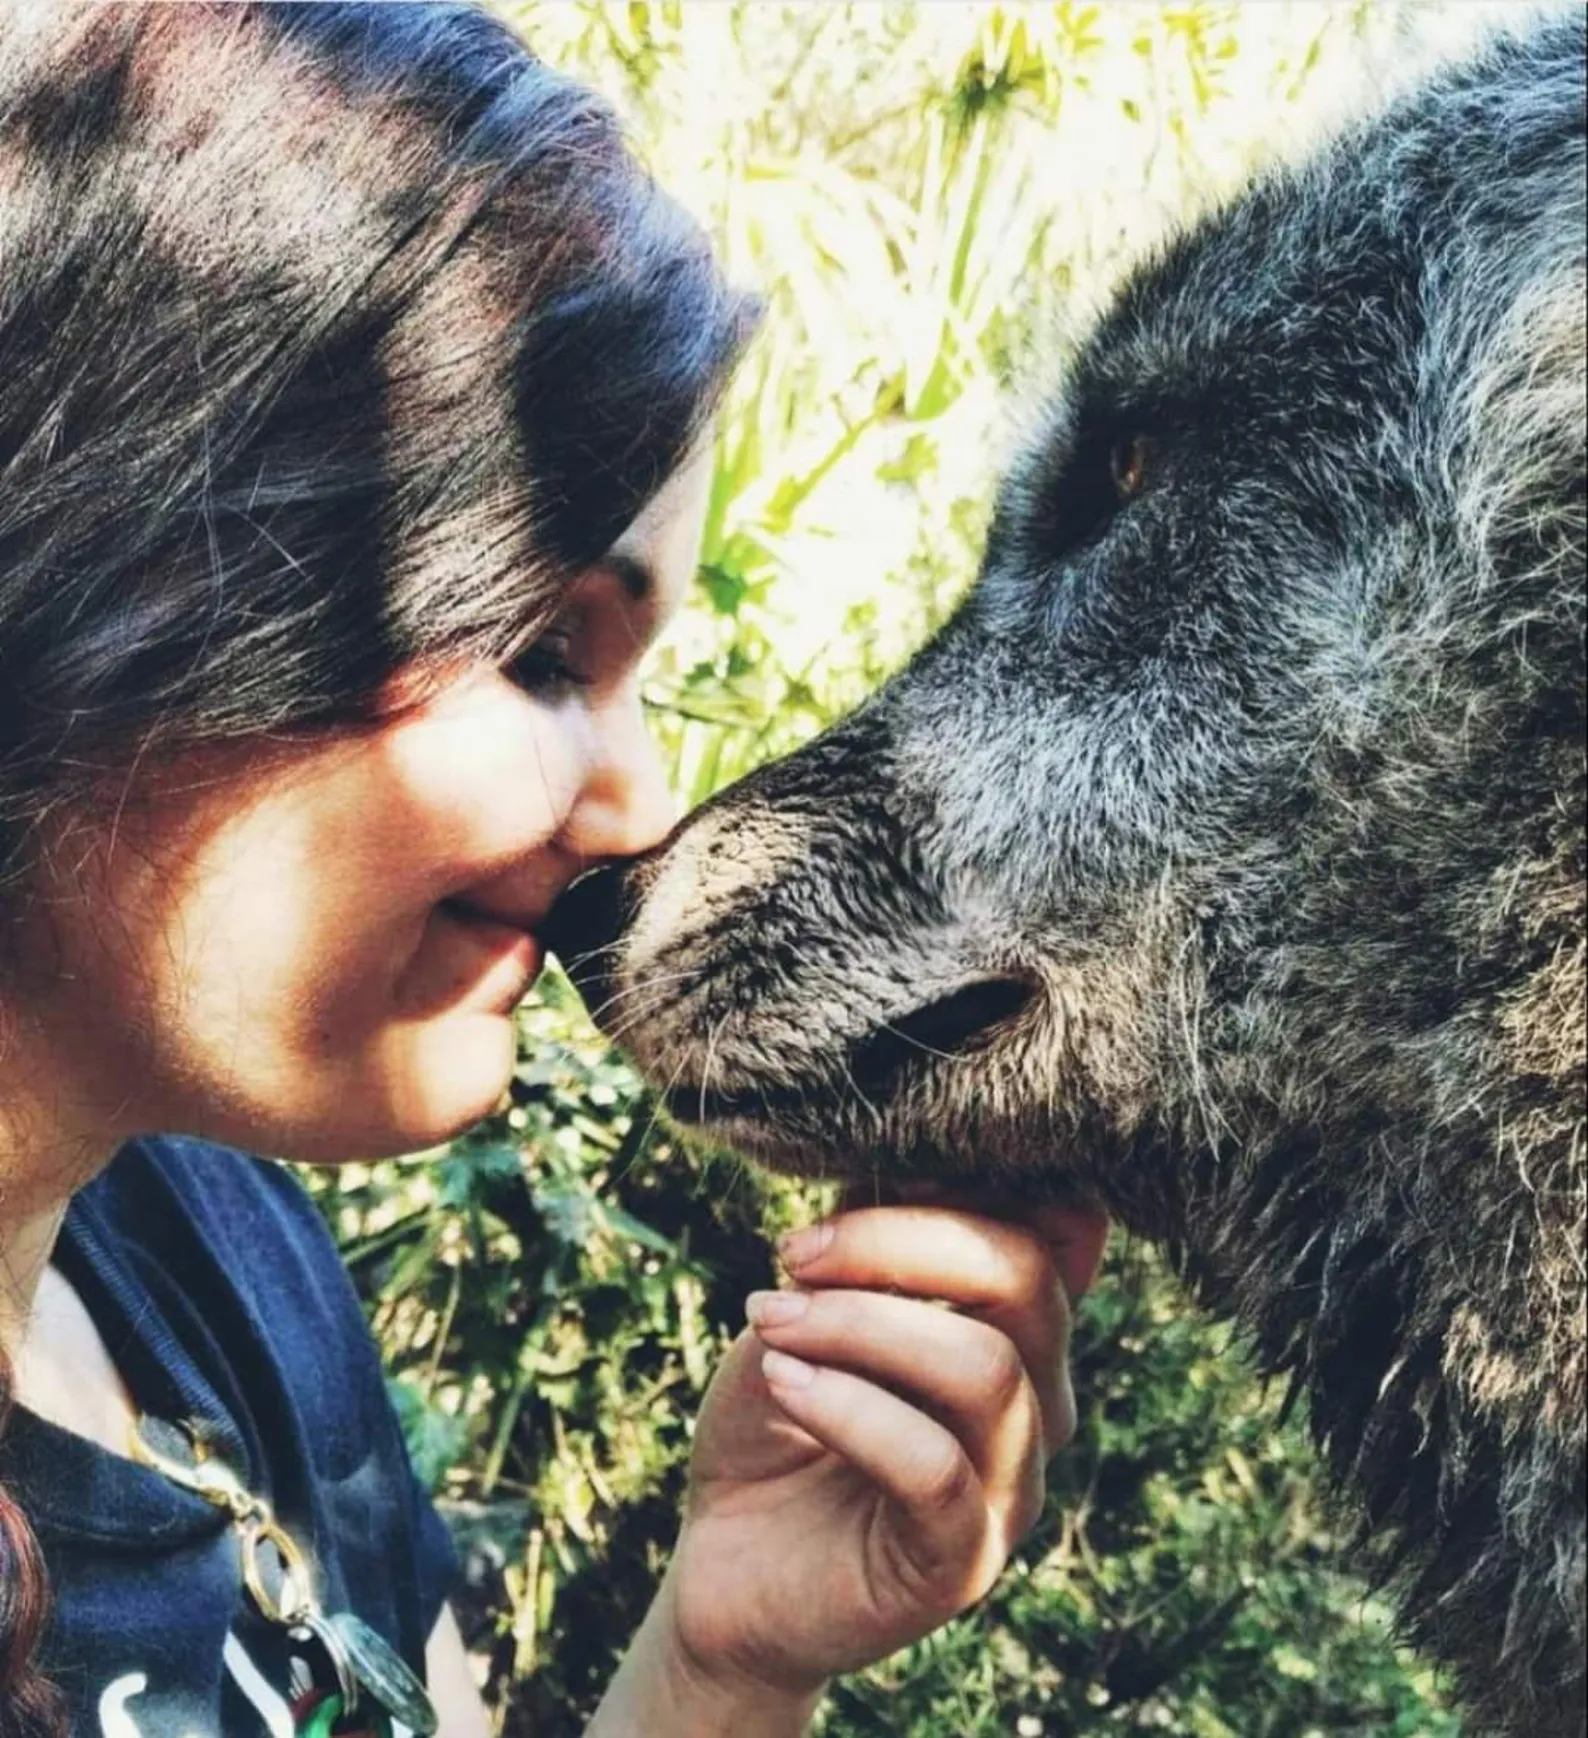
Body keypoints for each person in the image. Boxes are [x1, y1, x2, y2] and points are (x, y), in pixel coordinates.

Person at [0, 5, 1108, 1735]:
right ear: (109, 573)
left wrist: (729, 1646)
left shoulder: (211, 1241)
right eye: (538, 651)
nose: (639, 813)